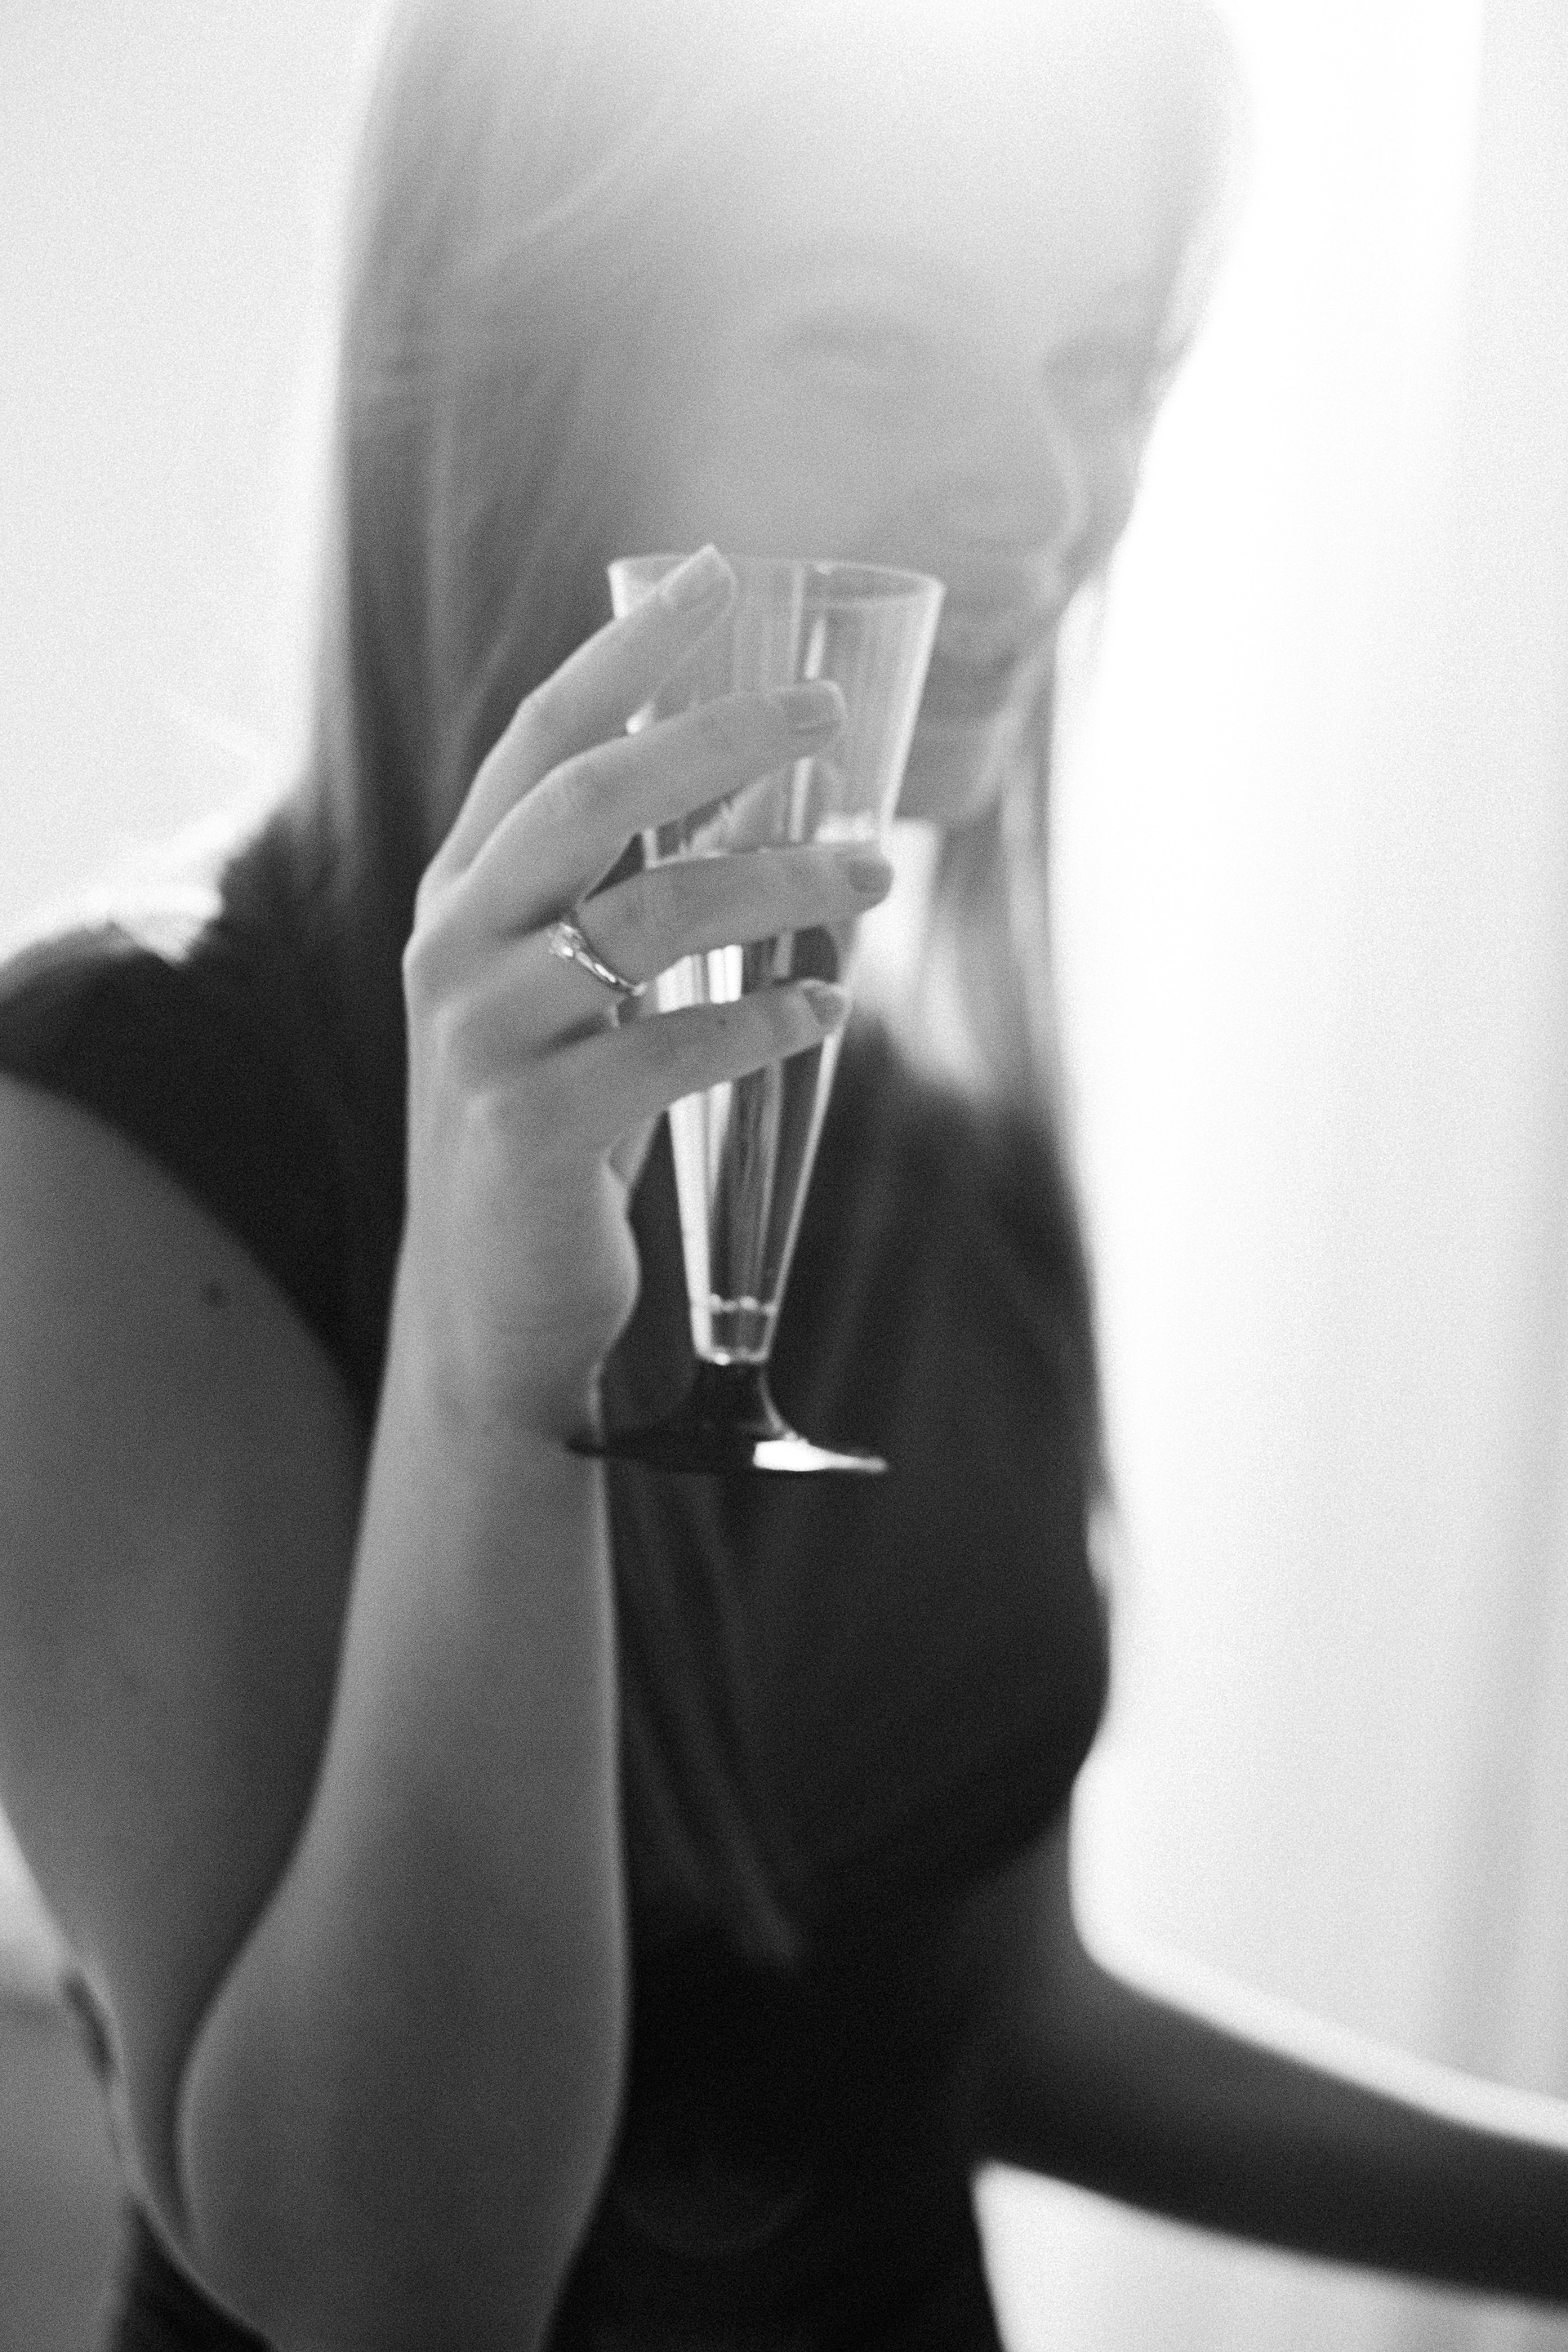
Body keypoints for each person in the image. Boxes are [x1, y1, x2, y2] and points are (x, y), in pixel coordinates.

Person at [2, 2, 1566, 2346]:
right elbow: (390, 2289)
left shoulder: (919, 1120)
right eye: (869, 342)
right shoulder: (98, 1142)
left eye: (1101, 364)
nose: (1043, 503)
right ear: (518, 364)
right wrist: (494, 1378)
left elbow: (978, 2022)